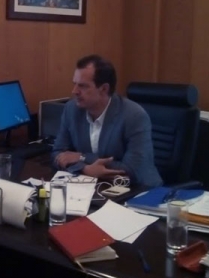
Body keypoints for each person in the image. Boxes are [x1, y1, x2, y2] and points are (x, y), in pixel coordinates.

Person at [52, 54, 162, 187]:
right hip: (95, 187)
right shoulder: (71, 109)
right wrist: (85, 169)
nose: (74, 91)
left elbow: (132, 169)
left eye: (82, 86)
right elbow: (57, 154)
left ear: (104, 89)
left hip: (138, 189)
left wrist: (83, 157)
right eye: (75, 84)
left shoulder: (134, 116)